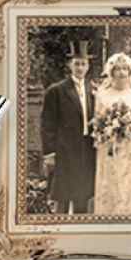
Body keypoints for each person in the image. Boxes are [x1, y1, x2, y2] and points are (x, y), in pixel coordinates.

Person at [92, 52, 131, 215]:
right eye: (117, 69)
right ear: (111, 72)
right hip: (109, 146)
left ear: (130, 72)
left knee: (130, 179)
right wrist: (107, 128)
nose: (121, 72)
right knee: (111, 179)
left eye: (124, 69)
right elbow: (97, 120)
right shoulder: (102, 94)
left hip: (130, 145)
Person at [40, 40, 95, 214]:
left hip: (86, 149)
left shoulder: (92, 90)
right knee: (62, 197)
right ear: (70, 65)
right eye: (77, 64)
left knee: (83, 196)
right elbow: (47, 123)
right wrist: (49, 153)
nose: (80, 68)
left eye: (83, 64)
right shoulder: (56, 91)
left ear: (88, 66)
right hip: (65, 150)